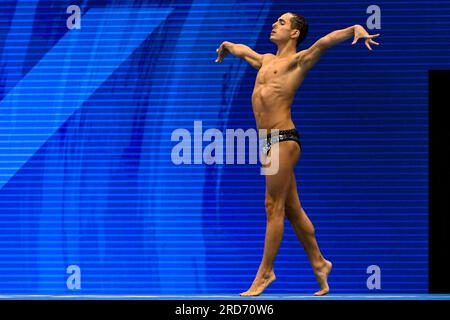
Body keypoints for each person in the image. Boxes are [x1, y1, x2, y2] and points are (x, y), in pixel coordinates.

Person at [215, 12, 380, 296]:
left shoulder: (298, 61)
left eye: (281, 22)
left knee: (272, 206)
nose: (274, 24)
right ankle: (320, 263)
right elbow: (245, 53)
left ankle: (265, 273)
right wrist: (228, 45)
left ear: (294, 33)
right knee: (292, 209)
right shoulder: (266, 60)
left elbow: (324, 43)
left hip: (283, 139)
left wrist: (354, 27)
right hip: (267, 142)